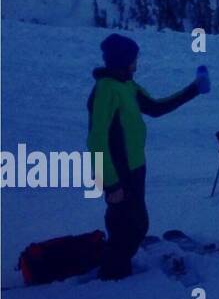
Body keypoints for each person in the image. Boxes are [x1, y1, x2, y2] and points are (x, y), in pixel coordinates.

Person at [87, 34, 210, 280]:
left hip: (136, 169)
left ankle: (117, 270)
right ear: (123, 60)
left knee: (136, 225)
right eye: (134, 58)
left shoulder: (127, 85)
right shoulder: (105, 90)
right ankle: (112, 278)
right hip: (118, 173)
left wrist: (194, 89)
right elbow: (96, 139)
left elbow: (156, 108)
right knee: (125, 228)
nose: (137, 63)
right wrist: (109, 182)